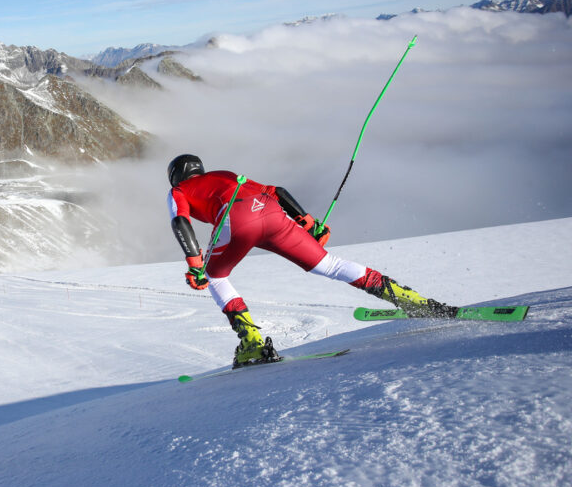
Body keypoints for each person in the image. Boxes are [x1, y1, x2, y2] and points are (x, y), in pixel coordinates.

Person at [166, 153, 456, 368]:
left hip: (236, 219)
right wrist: (307, 222)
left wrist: (194, 263)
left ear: (176, 176)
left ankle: (252, 343)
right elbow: (275, 191)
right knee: (329, 264)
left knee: (215, 276)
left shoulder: (178, 191)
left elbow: (180, 221)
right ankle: (410, 299)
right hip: (270, 211)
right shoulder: (226, 174)